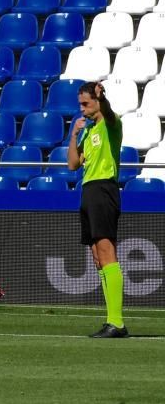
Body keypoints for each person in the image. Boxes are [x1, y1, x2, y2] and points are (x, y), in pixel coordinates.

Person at [68, 81, 127, 338]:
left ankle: (117, 322)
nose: (82, 109)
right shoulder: (87, 129)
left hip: (104, 189)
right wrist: (73, 135)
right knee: (97, 257)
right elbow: (72, 165)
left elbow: (110, 113)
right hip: (88, 190)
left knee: (106, 252)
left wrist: (104, 100)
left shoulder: (112, 125)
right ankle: (111, 320)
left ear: (97, 100)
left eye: (86, 103)